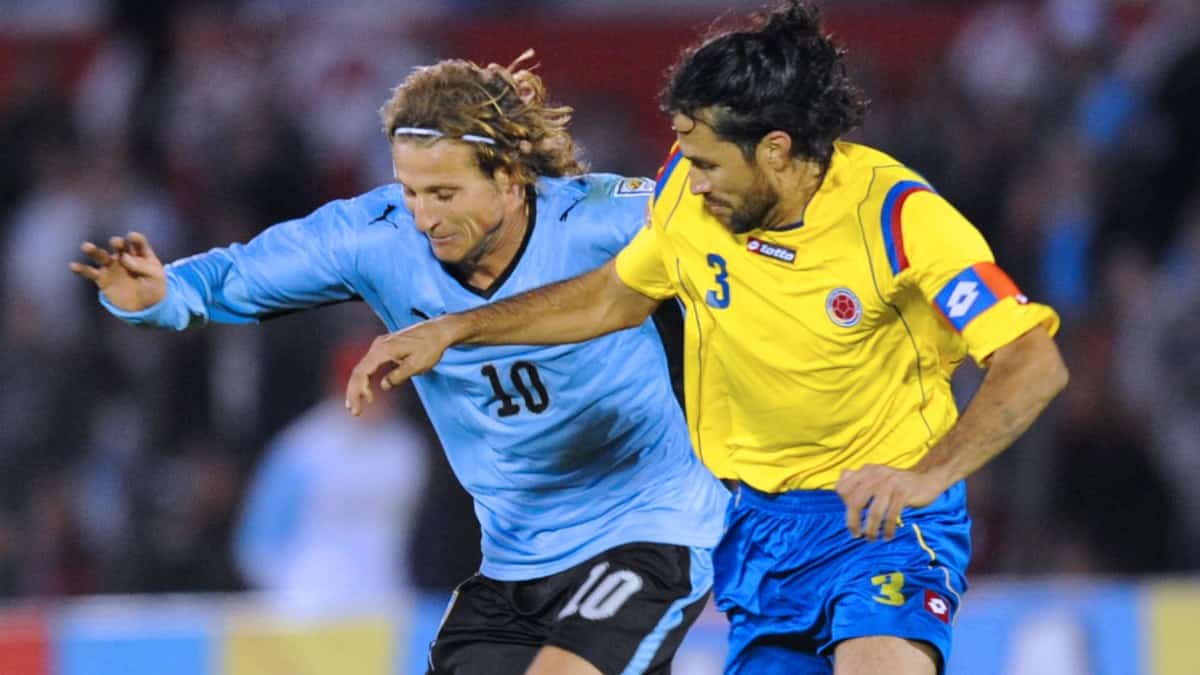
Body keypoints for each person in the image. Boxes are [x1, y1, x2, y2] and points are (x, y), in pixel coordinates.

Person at [344, 5, 1070, 675]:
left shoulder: (899, 218)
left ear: (778, 151)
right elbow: (611, 296)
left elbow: (1031, 360)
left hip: (879, 521)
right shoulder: (688, 204)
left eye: (707, 163)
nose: (687, 183)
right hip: (757, 528)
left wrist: (927, 476)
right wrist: (457, 328)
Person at [70, 53, 728, 675]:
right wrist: (163, 295)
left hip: (649, 526)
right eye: (411, 190)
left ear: (508, 177)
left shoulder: (604, 219)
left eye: (444, 193)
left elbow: (741, 237)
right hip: (515, 559)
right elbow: (241, 273)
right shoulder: (377, 237)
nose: (424, 217)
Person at [233, 338, 430, 615]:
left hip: (385, 601)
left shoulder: (407, 449)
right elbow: (257, 543)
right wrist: (281, 596)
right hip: (306, 607)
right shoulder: (304, 448)